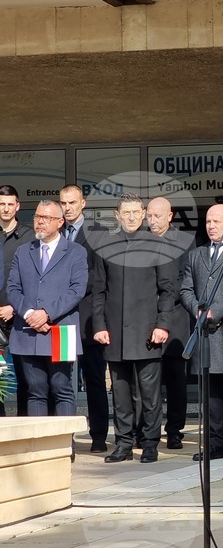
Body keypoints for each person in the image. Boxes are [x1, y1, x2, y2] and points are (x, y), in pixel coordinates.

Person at [92, 193, 176, 464]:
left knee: (150, 395)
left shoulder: (157, 245)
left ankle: (150, 443)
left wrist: (162, 325)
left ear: (143, 215)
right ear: (117, 216)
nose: (130, 217)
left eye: (135, 213)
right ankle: (124, 442)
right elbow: (99, 291)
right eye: (125, 213)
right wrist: (99, 325)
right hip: (114, 333)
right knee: (120, 393)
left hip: (147, 332)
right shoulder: (106, 246)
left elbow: (167, 290)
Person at [180, 204, 223, 461]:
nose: (211, 226)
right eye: (208, 221)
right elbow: (185, 289)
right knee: (210, 396)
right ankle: (214, 445)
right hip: (205, 334)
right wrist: (197, 310)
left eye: (217, 221)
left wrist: (215, 311)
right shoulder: (196, 254)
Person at [5, 201, 88, 417]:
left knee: (61, 389)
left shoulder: (75, 252)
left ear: (60, 222)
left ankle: (63, 446)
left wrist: (47, 314)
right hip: (27, 330)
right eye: (37, 217)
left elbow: (77, 290)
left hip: (59, 330)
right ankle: (40, 448)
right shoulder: (24, 251)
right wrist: (30, 314)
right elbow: (13, 288)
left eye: (47, 218)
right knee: (36, 391)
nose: (40, 222)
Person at [60, 184, 109, 451]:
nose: (67, 208)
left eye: (72, 202)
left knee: (94, 379)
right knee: (64, 380)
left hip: (89, 318)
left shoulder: (98, 232)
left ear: (83, 203)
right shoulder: (55, 232)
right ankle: (65, 436)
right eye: (63, 203)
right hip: (62, 319)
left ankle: (99, 435)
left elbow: (98, 275)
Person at [146, 196, 194, 450]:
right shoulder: (141, 241)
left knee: (175, 381)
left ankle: (175, 430)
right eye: (149, 216)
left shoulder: (185, 242)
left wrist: (160, 300)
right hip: (145, 318)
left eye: (157, 216)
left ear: (170, 216)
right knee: (148, 379)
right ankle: (147, 428)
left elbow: (183, 279)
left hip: (174, 319)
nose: (152, 220)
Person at [0, 185, 34, 416]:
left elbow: (36, 278)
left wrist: (14, 306)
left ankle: (24, 424)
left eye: (10, 204)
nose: (6, 208)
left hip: (20, 315)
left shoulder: (30, 237)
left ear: (18, 206)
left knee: (27, 376)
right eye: (2, 204)